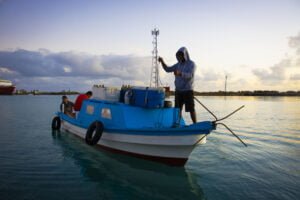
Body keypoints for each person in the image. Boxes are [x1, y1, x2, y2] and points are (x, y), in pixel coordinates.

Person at [158, 47, 197, 124]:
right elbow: (167, 69)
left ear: (184, 55)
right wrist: (162, 61)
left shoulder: (192, 64)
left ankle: (195, 124)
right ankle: (177, 125)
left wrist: (180, 73)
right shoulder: (177, 65)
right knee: (177, 109)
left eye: (180, 55)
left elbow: (190, 75)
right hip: (178, 91)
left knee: (191, 109)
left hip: (188, 91)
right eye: (177, 55)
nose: (179, 57)